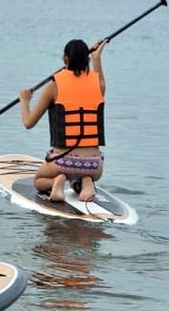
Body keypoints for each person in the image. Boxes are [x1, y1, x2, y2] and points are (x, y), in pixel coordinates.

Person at [19, 38, 107, 203]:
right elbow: (98, 75)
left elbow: (28, 123)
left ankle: (56, 182)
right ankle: (87, 181)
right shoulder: (98, 85)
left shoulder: (54, 87)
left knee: (39, 181)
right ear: (87, 60)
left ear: (65, 59)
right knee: (84, 172)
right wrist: (97, 56)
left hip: (63, 162)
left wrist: (25, 101)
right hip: (94, 165)